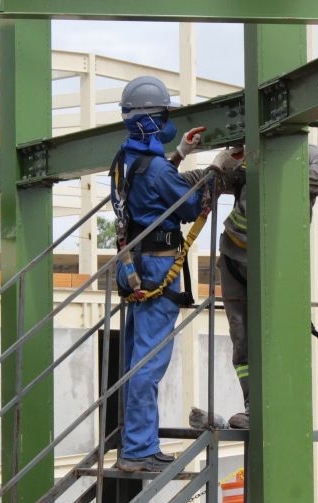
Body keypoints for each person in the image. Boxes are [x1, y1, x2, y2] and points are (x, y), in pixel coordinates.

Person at [113, 75, 211, 472]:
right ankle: (138, 450)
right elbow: (186, 208)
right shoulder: (154, 169)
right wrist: (215, 174)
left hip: (133, 265)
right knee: (148, 364)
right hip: (156, 265)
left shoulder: (125, 159)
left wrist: (180, 155)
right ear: (152, 120)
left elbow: (150, 190)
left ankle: (138, 444)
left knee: (137, 360)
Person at [215, 144, 318, 429]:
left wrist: (275, 171)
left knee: (277, 336)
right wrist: (223, 164)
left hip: (274, 261)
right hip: (233, 258)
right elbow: (212, 183)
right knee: (242, 340)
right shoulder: (246, 155)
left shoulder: (303, 153)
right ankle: (254, 406)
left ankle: (279, 406)